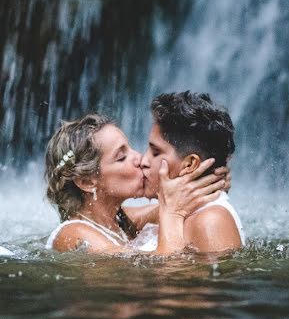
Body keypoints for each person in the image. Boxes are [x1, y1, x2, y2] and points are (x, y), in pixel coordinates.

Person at [44, 113, 229, 253]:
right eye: (122, 157)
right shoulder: (75, 234)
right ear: (86, 181)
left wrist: (200, 181)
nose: (140, 158)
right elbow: (170, 273)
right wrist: (173, 213)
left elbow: (169, 205)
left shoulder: (120, 220)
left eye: (131, 148)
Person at [139, 91, 243, 253]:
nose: (143, 161)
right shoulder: (176, 211)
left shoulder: (210, 221)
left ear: (190, 165)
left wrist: (173, 214)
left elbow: (172, 277)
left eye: (156, 152)